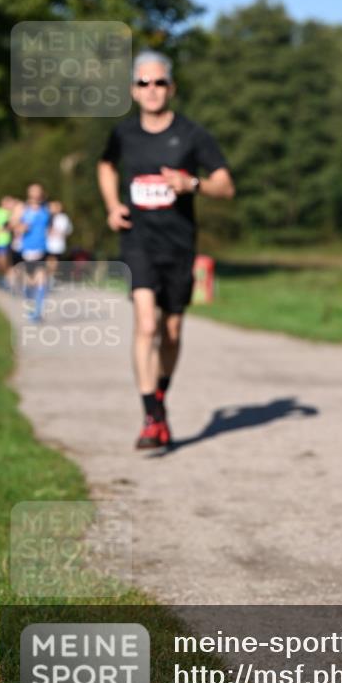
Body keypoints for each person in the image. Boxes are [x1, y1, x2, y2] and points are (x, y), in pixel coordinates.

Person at [97, 50, 235, 450]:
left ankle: (158, 398)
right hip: (138, 241)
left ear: (171, 88)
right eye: (143, 83)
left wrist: (193, 185)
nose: (152, 89)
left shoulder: (192, 135)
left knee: (171, 332)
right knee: (145, 324)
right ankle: (152, 417)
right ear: (133, 91)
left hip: (179, 246)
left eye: (159, 82)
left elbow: (225, 185)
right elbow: (105, 166)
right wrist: (112, 206)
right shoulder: (124, 135)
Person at [11, 184, 51, 322]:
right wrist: (20, 227)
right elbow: (13, 224)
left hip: (42, 248)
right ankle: (30, 307)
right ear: (29, 193)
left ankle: (37, 313)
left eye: (38, 191)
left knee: (42, 279)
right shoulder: (22, 208)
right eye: (33, 191)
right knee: (30, 283)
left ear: (42, 193)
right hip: (27, 249)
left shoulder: (46, 208)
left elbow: (49, 225)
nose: (36, 194)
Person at [46, 200, 73, 273]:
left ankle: (53, 276)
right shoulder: (49, 217)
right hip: (48, 244)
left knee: (54, 261)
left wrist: (50, 231)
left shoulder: (62, 217)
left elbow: (63, 231)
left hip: (56, 245)